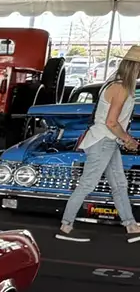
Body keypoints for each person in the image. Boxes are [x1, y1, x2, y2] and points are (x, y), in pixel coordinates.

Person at [58, 45, 140, 242]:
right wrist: (128, 140)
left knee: (119, 184)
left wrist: (123, 139)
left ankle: (131, 226)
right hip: (104, 141)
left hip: (106, 141)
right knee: (87, 184)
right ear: (135, 67)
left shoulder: (112, 83)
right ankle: (65, 228)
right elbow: (111, 122)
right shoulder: (120, 88)